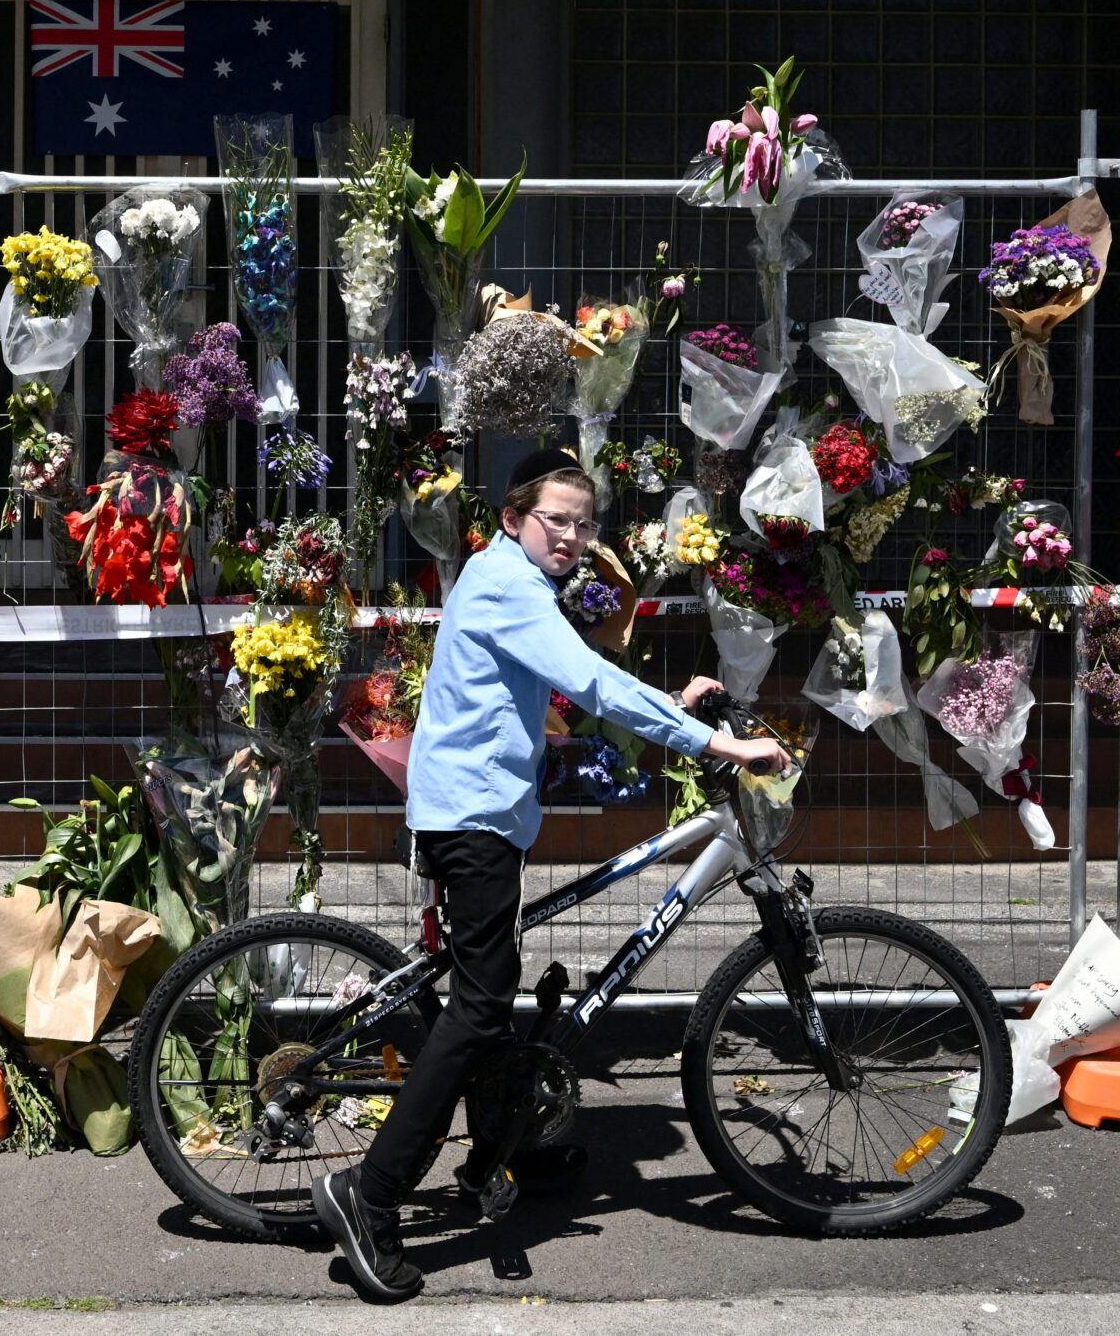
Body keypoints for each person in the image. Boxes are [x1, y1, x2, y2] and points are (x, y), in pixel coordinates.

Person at [313, 447, 792, 1300]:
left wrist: (671, 707)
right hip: (471, 818)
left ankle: (508, 1147)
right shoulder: (506, 584)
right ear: (514, 518)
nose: (571, 535)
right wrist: (716, 742)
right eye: (555, 519)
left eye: (583, 522)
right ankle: (370, 1190)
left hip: (482, 809)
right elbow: (587, 677)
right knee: (482, 999)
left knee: (492, 987)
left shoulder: (518, 583)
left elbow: (573, 680)